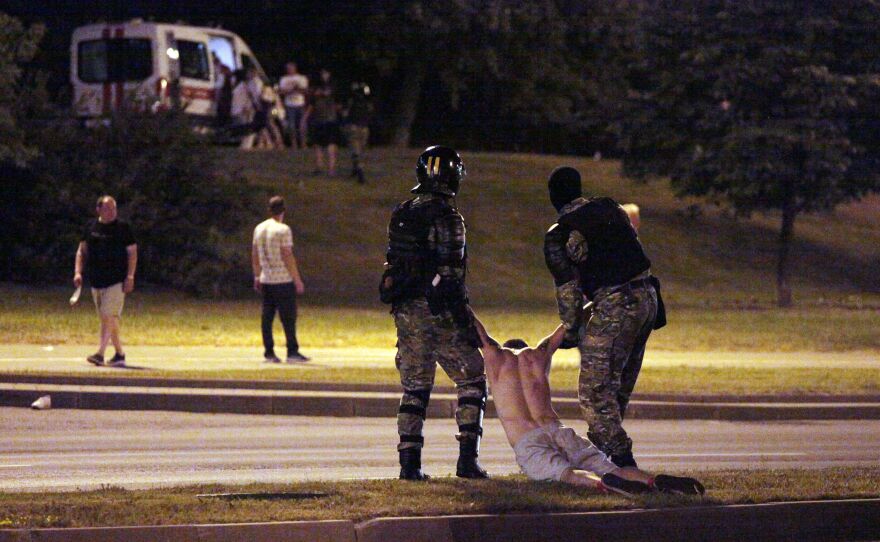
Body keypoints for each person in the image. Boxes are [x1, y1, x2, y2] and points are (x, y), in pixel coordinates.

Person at [471, 313, 704, 497]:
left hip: (528, 440)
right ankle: (652, 481)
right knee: (611, 468)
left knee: (567, 474)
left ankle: (603, 486)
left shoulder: (495, 357)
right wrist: (590, 302)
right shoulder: (538, 355)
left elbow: (479, 331)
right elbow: (564, 327)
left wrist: (456, 296)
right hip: (559, 431)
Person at [543, 166, 664, 469]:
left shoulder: (562, 234)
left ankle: (626, 466)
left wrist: (570, 330)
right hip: (648, 298)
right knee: (616, 388)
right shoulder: (611, 207)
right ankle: (601, 461)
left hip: (616, 304)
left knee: (594, 393)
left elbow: (568, 291)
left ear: (553, 198)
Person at [380, 146, 487, 481]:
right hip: (439, 309)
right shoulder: (449, 217)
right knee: (472, 379)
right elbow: (451, 276)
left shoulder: (403, 211)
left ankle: (409, 465)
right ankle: (467, 460)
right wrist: (466, 322)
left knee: (415, 387)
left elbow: (394, 262)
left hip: (406, 310)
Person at [74, 195, 137, 368]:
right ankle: (119, 354)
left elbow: (132, 252)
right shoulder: (91, 227)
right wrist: (78, 272)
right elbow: (81, 251)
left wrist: (130, 276)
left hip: (116, 280)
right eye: (108, 208)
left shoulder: (123, 228)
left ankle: (100, 354)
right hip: (96, 280)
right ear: (99, 209)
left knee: (108, 315)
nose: (112, 212)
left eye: (114, 208)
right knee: (108, 318)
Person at [252, 195, 308, 363]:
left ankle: (269, 352)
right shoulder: (283, 230)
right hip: (282, 279)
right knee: (288, 316)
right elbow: (287, 255)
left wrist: (257, 274)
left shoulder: (259, 229)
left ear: (269, 210)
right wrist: (297, 279)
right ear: (283, 210)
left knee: (267, 316)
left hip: (266, 278)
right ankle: (292, 351)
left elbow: (254, 254)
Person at [306, 69, 340, 176]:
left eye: (326, 73)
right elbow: (312, 102)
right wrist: (305, 117)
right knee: (318, 145)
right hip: (318, 119)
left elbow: (328, 93)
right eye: (322, 74)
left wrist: (319, 93)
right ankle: (319, 166)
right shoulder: (317, 86)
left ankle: (331, 169)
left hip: (329, 119)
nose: (324, 75)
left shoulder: (332, 86)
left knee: (331, 144)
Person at [343, 82, 373, 184]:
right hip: (363, 128)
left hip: (354, 127)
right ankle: (356, 170)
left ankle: (359, 172)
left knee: (356, 151)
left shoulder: (352, 102)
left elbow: (345, 114)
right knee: (359, 150)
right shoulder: (367, 103)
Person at [278, 62, 309, 149]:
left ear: (295, 68)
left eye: (291, 68)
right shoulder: (283, 79)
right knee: (291, 125)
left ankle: (303, 143)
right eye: (288, 68)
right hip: (289, 104)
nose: (289, 70)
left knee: (302, 124)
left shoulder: (302, 78)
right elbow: (281, 92)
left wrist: (296, 89)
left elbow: (305, 91)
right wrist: (291, 90)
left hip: (300, 104)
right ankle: (293, 143)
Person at [231, 69, 257, 149]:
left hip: (244, 109)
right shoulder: (241, 85)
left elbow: (251, 97)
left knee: (246, 128)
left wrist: (248, 107)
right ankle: (244, 145)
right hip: (238, 109)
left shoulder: (248, 85)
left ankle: (247, 146)